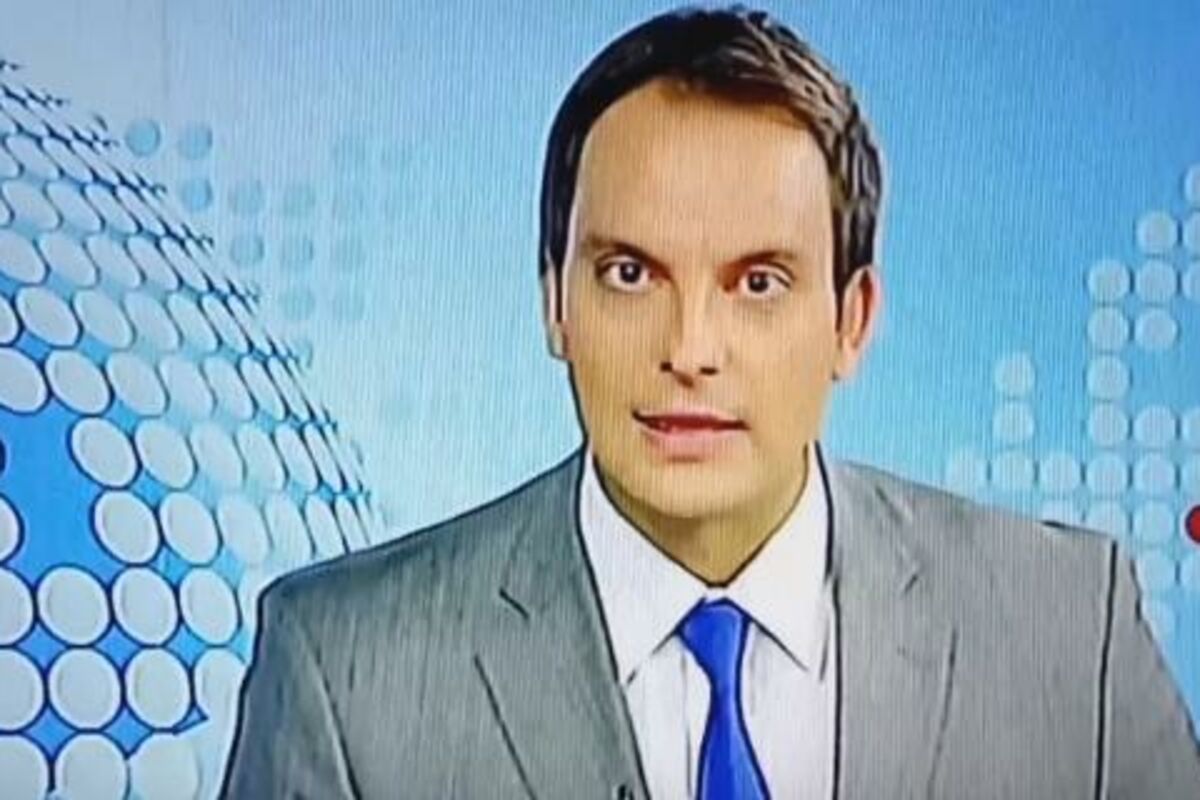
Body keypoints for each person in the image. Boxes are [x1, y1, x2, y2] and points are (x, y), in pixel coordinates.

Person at [220, 7, 1200, 798]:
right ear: (555, 301)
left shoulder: (1069, 629)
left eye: (758, 282)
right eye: (631, 273)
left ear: (851, 320)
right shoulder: (344, 666)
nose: (689, 350)